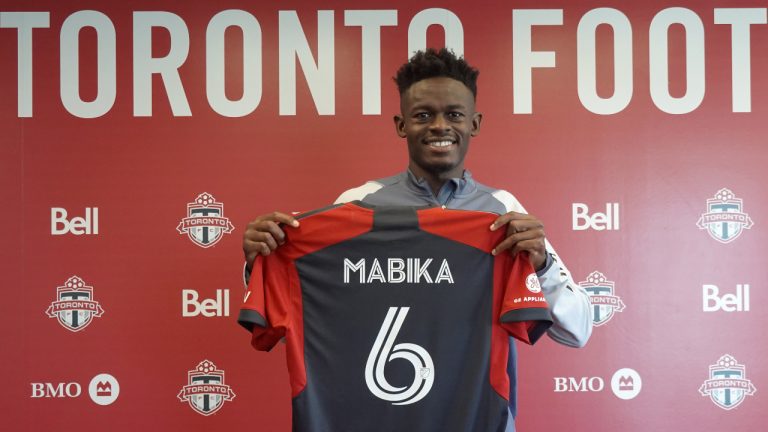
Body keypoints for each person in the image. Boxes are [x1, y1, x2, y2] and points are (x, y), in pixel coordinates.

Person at [242, 48, 592, 431]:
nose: (440, 126)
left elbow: (576, 330)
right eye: (423, 115)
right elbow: (296, 314)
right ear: (401, 124)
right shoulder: (355, 205)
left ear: (474, 123)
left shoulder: (503, 213)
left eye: (454, 114)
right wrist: (262, 259)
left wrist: (540, 265)